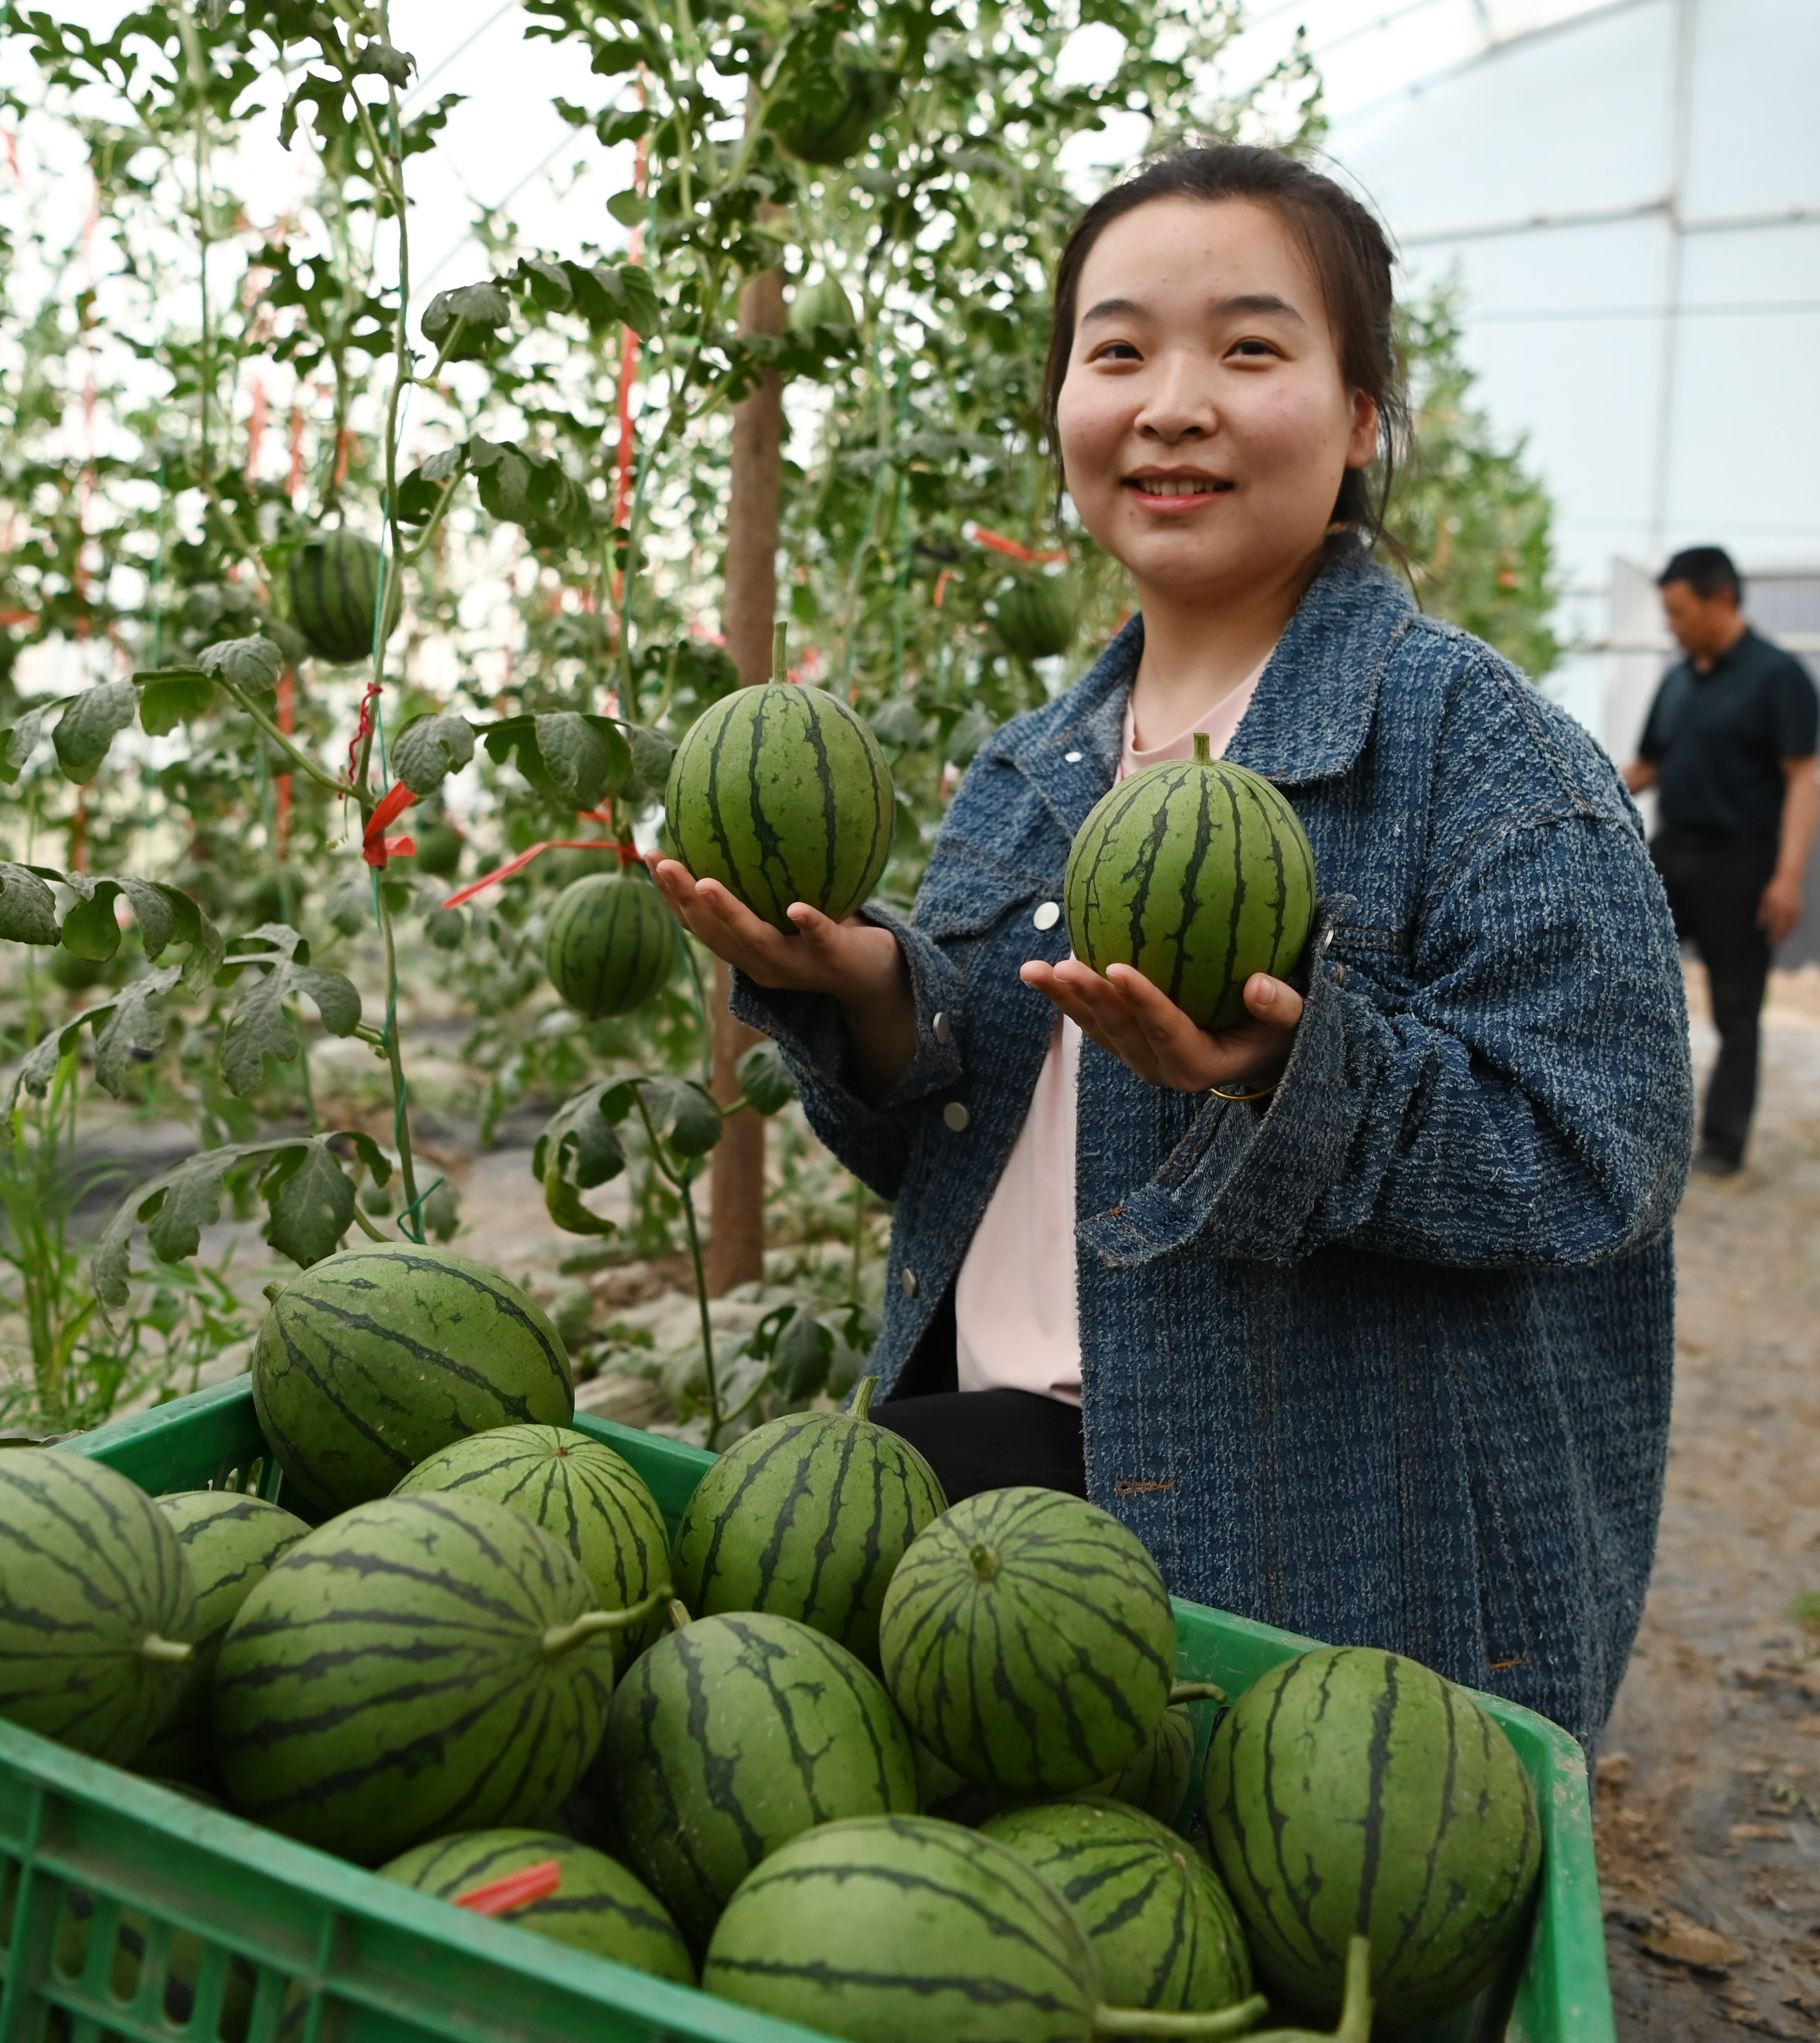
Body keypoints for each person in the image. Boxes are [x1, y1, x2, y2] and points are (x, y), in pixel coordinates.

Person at [650, 143, 1692, 1748]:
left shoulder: (1490, 764)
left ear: (1359, 418)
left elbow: (1589, 1159)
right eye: (1116, 348)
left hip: (1298, 1553)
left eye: (1250, 347)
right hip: (975, 1479)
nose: (1170, 401)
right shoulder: (1027, 766)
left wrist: (1294, 1072)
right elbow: (966, 1134)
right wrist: (863, 994)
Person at [1623, 548, 1820, 1179]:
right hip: (1671, 855)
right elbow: (1648, 765)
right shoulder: (1678, 680)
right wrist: (1582, 790)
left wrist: (1788, 875)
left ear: (1723, 601)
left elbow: (1802, 779)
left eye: (1679, 612)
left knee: (1737, 1014)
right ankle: (1628, 1125)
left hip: (1743, 866)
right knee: (1628, 986)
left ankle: (1722, 1146)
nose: (1671, 626)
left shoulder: (1779, 677)